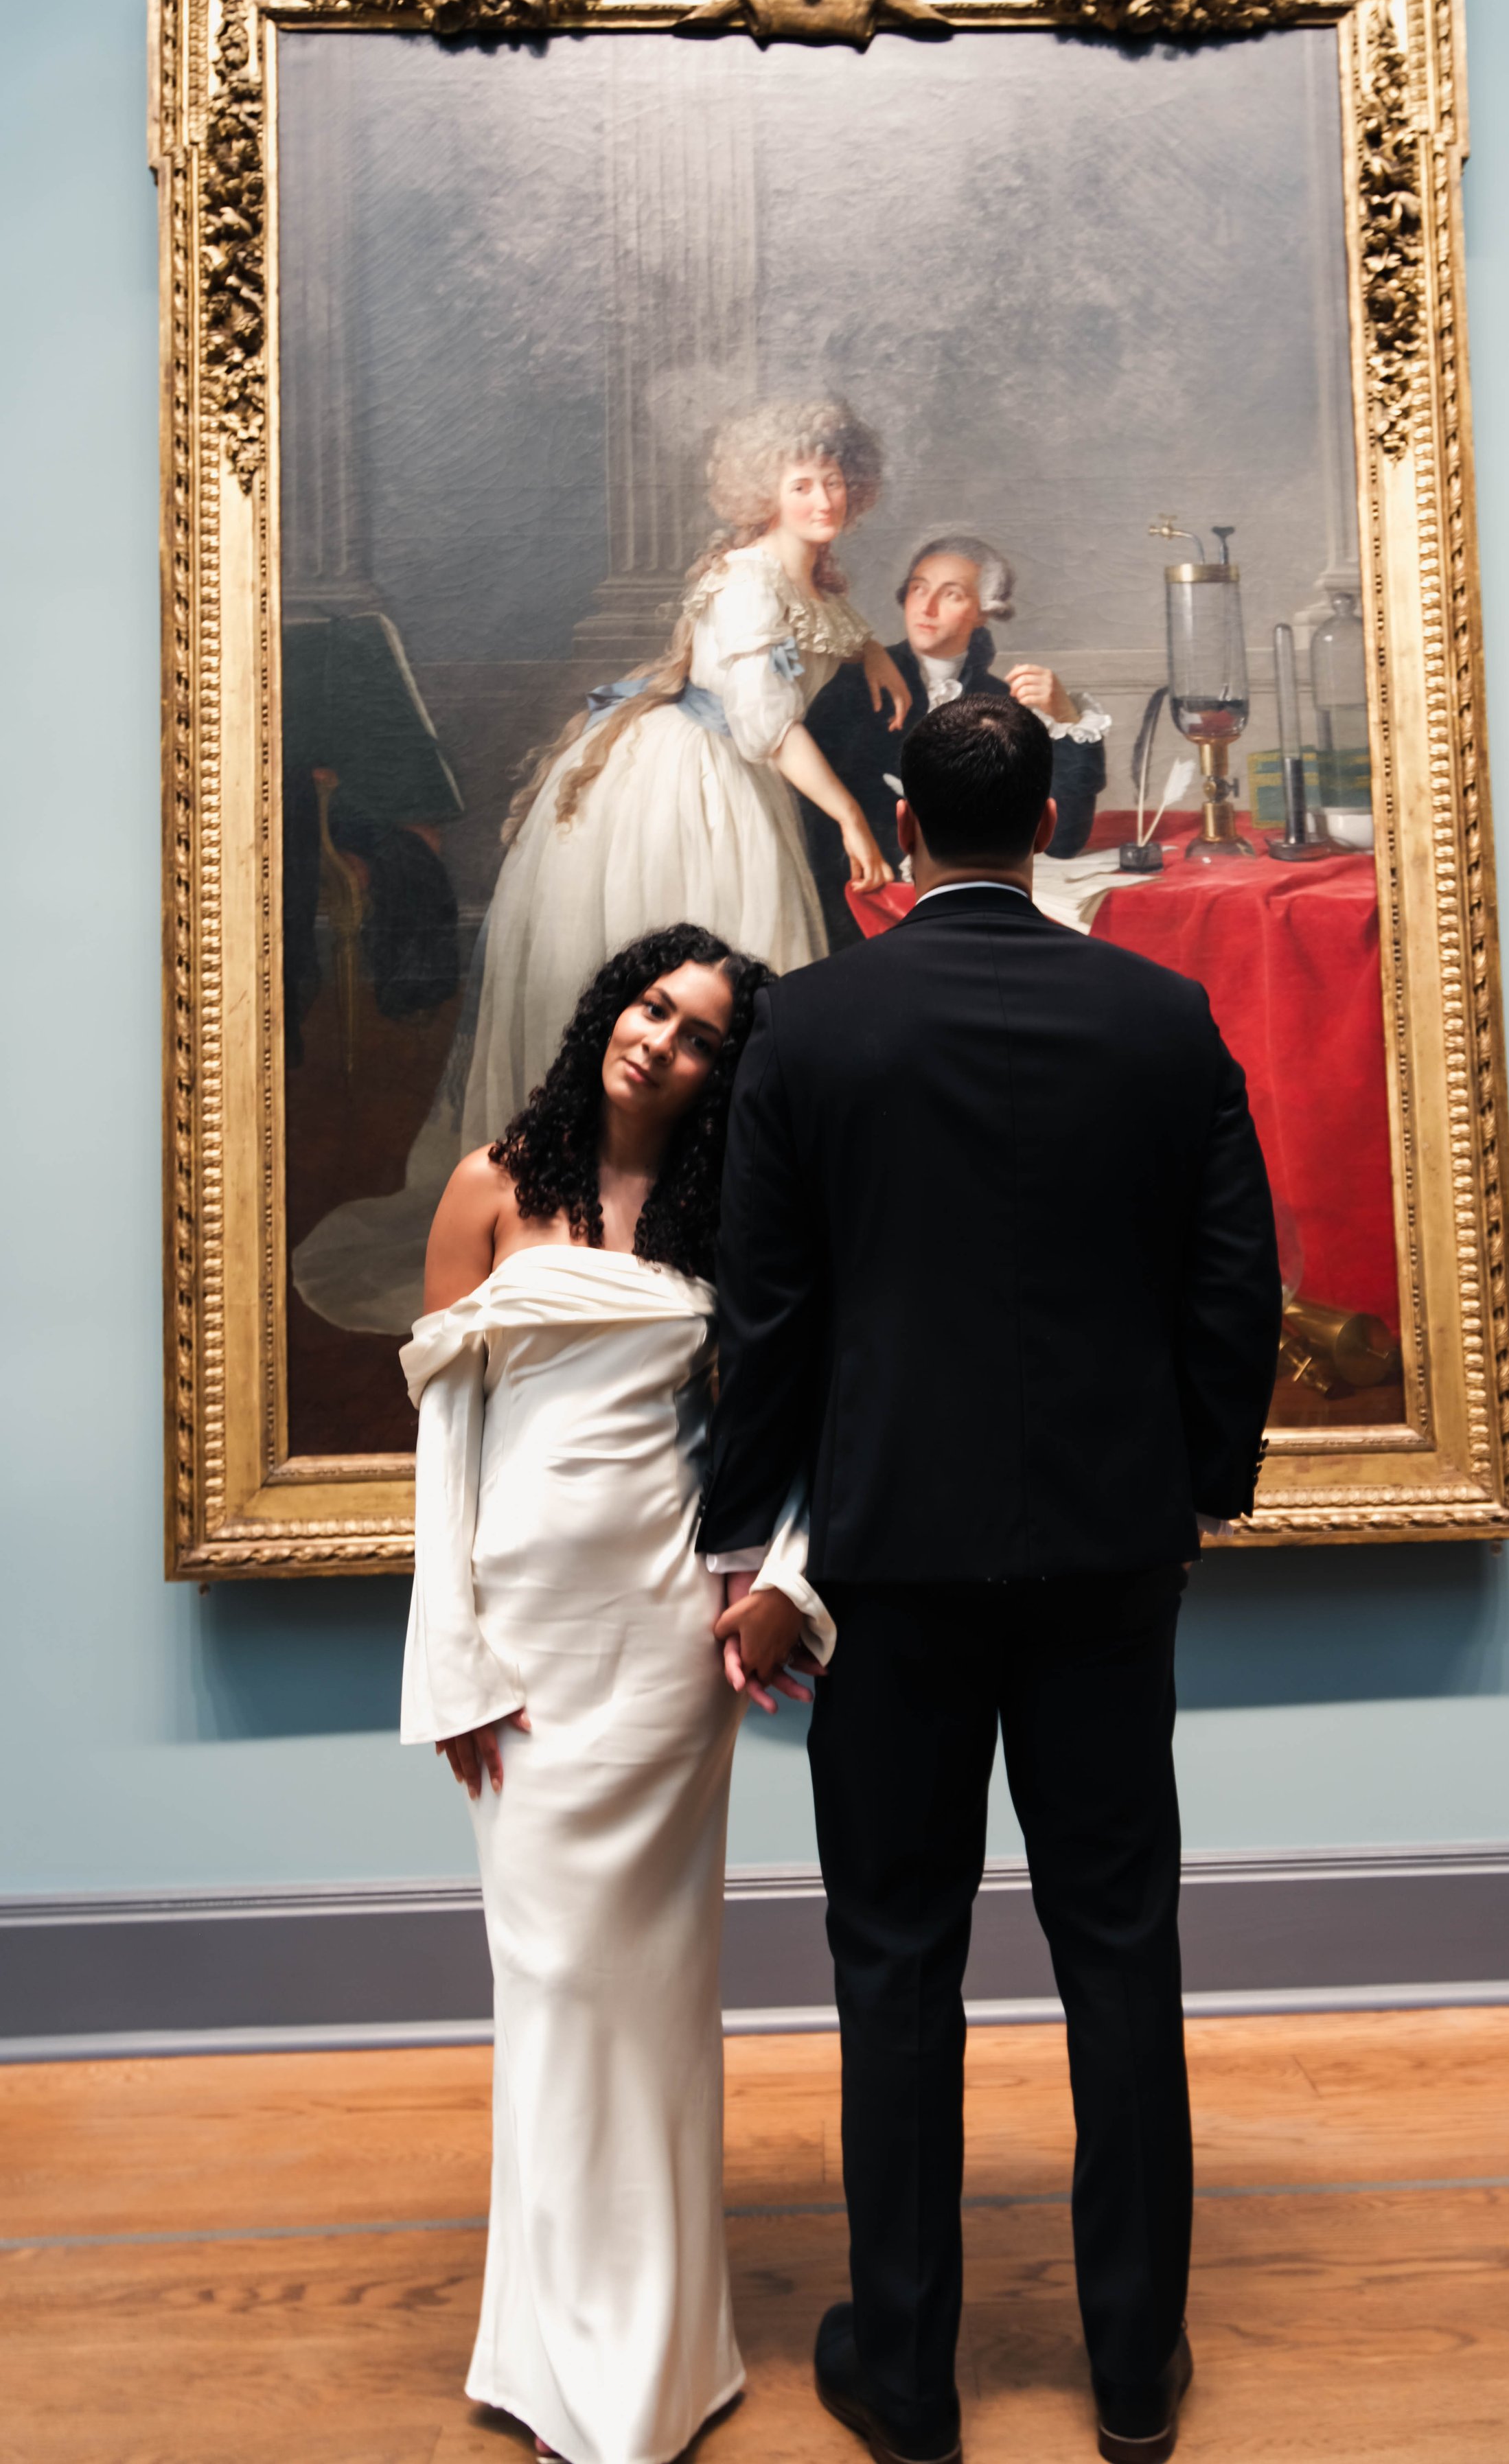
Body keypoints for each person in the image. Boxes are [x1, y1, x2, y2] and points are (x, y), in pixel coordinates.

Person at [698, 695, 1282, 2464]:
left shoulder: (815, 1023)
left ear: (898, 809)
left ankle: (911, 2374)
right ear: (1047, 813)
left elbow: (769, 1316)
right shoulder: (1162, 1017)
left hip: (892, 1556)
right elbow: (1234, 1289)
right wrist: (1194, 1483)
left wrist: (745, 1541)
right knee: (1122, 1947)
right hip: (1112, 1551)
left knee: (895, 1958)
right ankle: (1129, 2371)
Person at [400, 923, 834, 2464]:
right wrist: (446, 1654)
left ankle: (661, 2348)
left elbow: (790, 1421)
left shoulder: (730, 1217)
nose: (662, 1038)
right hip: (523, 1639)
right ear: (610, 1010)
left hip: (659, 1651)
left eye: (703, 1030)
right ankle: (544, 2347)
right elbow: (442, 1450)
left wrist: (780, 1583)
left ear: (726, 1069)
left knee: (652, 1994)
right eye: (652, 1005)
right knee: (552, 1988)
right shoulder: (489, 1188)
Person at [292, 394, 907, 1337]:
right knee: (679, 989)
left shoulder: (813, 575)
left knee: (736, 999)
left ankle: (714, 1209)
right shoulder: (746, 581)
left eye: (834, 480)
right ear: (765, 492)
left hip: (731, 785)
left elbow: (828, 621)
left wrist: (877, 655)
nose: (820, 495)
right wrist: (850, 815)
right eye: (800, 481)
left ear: (854, 489)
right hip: (679, 790)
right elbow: (766, 723)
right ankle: (610, 1224)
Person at [801, 532, 1111, 948]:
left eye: (951, 595)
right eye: (918, 589)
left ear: (984, 613)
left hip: (969, 919)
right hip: (859, 907)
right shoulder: (853, 685)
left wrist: (1068, 719)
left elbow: (1065, 838)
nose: (926, 608)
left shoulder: (1002, 703)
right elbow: (810, 817)